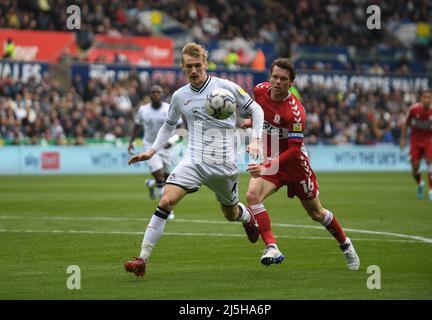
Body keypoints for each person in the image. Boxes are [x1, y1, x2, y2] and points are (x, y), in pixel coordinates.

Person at [123, 42, 264, 277]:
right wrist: (152, 150)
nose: (194, 70)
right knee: (166, 201)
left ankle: (247, 217)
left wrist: (257, 139)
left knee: (230, 214)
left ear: (206, 64)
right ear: (183, 68)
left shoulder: (225, 87)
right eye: (189, 66)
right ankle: (142, 259)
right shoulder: (180, 96)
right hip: (193, 161)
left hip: (224, 165)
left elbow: (257, 110)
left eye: (198, 65)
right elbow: (169, 126)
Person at [242, 58, 360, 270]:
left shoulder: (295, 112)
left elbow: (295, 150)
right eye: (275, 77)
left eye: (283, 79)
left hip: (295, 165)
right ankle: (272, 247)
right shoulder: (259, 91)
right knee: (252, 196)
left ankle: (345, 244)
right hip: (272, 159)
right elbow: (263, 115)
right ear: (270, 76)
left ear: (291, 82)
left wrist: (265, 167)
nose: (277, 82)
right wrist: (252, 122)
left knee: (317, 213)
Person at [128, 85, 183, 208]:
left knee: (166, 178)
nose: (156, 94)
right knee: (159, 174)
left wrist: (172, 141)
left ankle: (152, 184)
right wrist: (131, 142)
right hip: (149, 146)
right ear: (150, 95)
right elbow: (137, 126)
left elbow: (180, 128)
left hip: (166, 146)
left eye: (159, 92)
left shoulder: (169, 108)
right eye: (154, 92)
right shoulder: (143, 110)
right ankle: (165, 208)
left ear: (162, 94)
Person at [400, 90, 432, 201]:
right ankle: (420, 184)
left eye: (429, 97)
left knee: (430, 161)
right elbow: (406, 124)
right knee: (415, 167)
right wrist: (402, 139)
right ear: (421, 99)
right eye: (425, 97)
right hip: (415, 141)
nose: (427, 99)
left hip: (429, 141)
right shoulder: (413, 109)